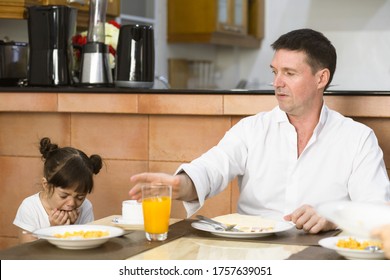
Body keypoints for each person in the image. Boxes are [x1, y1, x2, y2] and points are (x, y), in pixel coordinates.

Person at [129, 28, 390, 234]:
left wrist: (333, 216)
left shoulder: (357, 138)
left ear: (321, 78)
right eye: (275, 72)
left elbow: (378, 210)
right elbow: (212, 167)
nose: (277, 83)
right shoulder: (251, 129)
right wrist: (182, 184)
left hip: (321, 256)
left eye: (289, 73)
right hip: (251, 254)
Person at [13, 137, 103, 243]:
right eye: (63, 196)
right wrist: (54, 231)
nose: (71, 203)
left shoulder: (85, 207)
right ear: (46, 185)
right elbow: (29, 255)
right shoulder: (30, 208)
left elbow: (88, 247)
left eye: (80, 197)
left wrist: (71, 229)